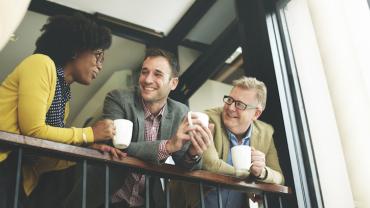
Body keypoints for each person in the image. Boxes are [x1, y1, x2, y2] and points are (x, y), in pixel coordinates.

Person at [63, 48, 213, 208]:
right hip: (103, 197)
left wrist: (194, 153)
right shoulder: (118, 99)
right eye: (144, 72)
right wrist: (168, 146)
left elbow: (185, 165)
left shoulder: (180, 111)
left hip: (146, 202)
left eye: (157, 74)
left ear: (173, 83)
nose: (147, 79)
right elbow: (116, 146)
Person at [0, 14, 117, 208]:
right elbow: (34, 131)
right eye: (98, 54)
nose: (100, 64)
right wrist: (89, 134)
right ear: (75, 50)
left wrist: (84, 151)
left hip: (17, 179)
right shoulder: (40, 63)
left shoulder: (63, 93)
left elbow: (43, 153)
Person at [171, 76, 285, 208]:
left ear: (256, 114)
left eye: (239, 104)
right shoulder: (207, 120)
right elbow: (211, 165)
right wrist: (250, 176)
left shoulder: (265, 133)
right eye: (230, 100)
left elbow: (279, 177)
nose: (230, 107)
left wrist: (261, 172)